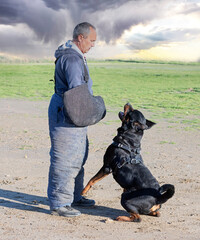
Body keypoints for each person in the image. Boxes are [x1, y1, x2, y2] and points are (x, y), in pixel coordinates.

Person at [48, 22, 98, 217]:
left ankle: (75, 196)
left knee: (78, 155)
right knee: (65, 158)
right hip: (68, 111)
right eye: (91, 41)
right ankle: (60, 203)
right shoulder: (72, 60)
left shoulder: (75, 56)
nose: (93, 45)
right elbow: (77, 91)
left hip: (70, 110)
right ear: (80, 38)